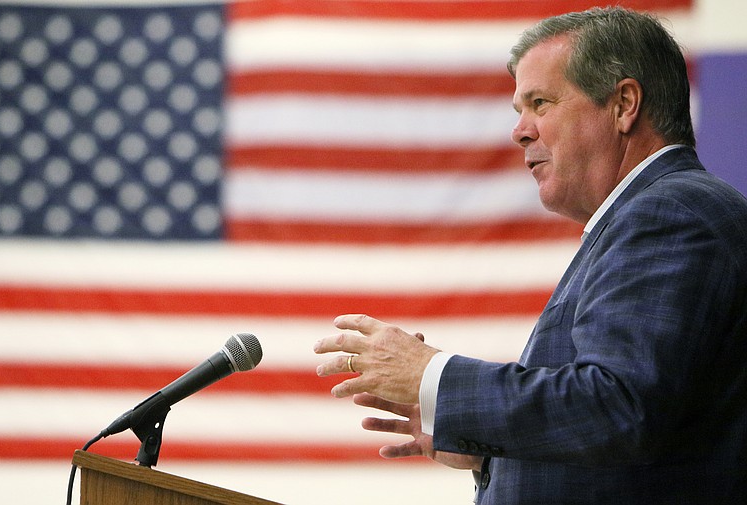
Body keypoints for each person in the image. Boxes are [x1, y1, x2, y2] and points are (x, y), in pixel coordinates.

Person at [313, 6, 747, 504]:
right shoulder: (646, 216)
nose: (519, 131)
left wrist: (434, 376)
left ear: (624, 104)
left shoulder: (671, 212)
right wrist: (490, 452)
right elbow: (634, 431)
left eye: (540, 103)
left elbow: (620, 407)